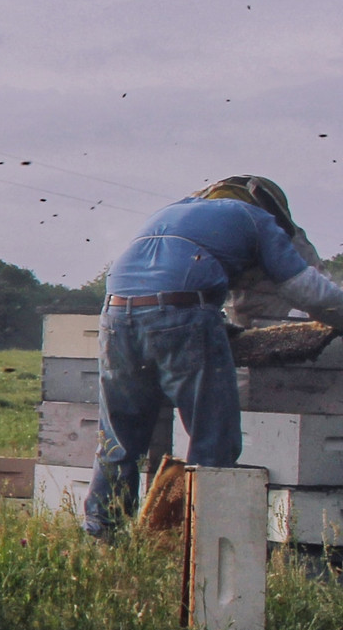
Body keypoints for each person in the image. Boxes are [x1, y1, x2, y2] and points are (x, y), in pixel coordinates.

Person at [84, 176, 343, 538]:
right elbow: (309, 291)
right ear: (270, 208)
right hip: (182, 315)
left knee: (119, 439)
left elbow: (167, 275)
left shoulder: (172, 213)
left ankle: (101, 537)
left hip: (114, 318)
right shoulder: (256, 220)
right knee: (213, 439)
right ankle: (194, 543)